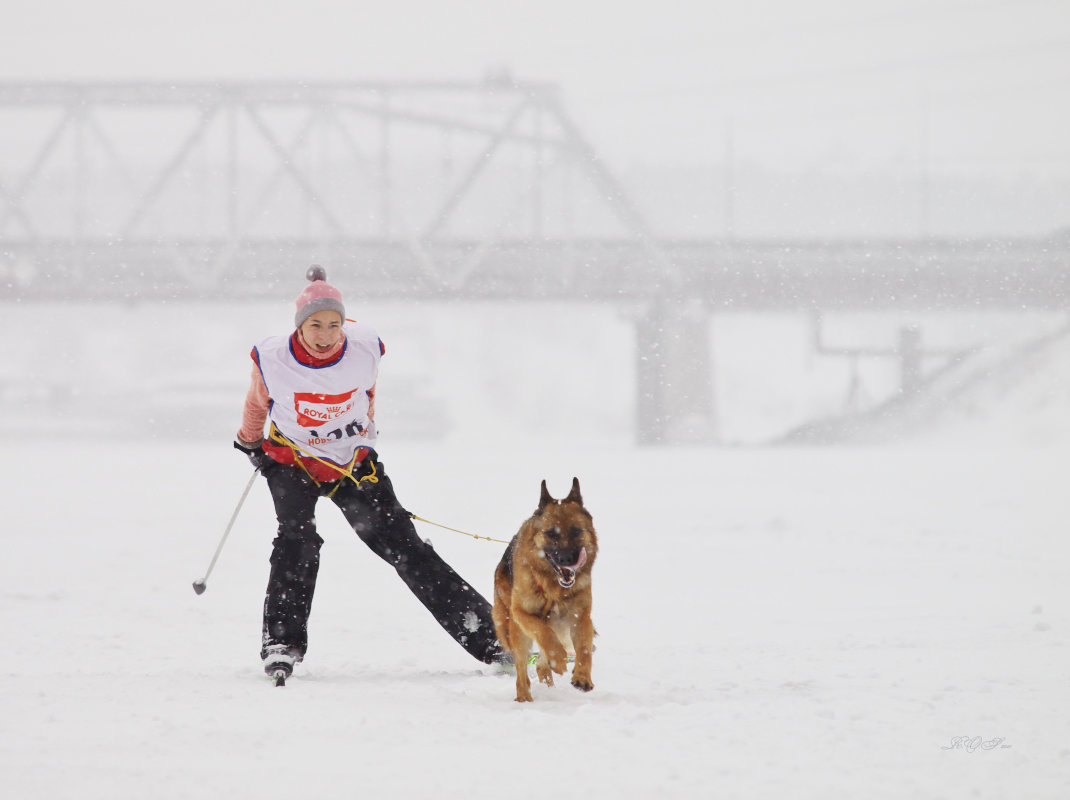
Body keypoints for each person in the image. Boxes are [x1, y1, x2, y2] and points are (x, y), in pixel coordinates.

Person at [234, 265, 504, 681]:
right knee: (297, 539)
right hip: (293, 461)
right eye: (315, 325)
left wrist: (363, 438)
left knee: (403, 545)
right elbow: (257, 404)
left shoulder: (364, 347)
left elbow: (366, 395)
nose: (325, 335)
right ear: (300, 327)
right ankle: (281, 643)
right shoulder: (274, 358)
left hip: (351, 463)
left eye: (334, 324)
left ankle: (494, 640)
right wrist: (250, 442)